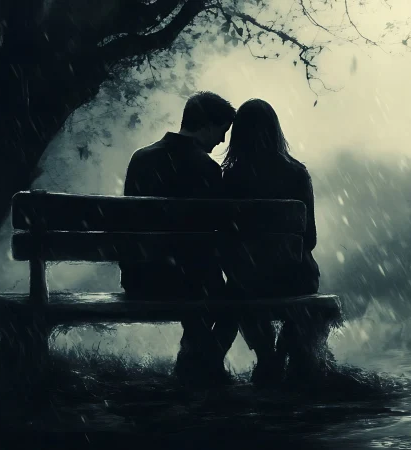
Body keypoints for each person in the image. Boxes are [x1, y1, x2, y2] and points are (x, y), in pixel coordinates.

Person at [118, 91, 238, 386]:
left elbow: (127, 225)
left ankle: (194, 363)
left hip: (140, 279)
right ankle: (201, 365)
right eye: (221, 131)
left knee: (197, 282)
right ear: (207, 125)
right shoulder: (207, 169)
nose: (222, 141)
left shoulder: (141, 158)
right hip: (192, 284)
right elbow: (216, 234)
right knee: (234, 305)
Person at [219, 98, 321, 385]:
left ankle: (266, 355)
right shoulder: (297, 172)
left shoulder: (230, 177)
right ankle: (284, 353)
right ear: (275, 130)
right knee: (301, 293)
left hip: (249, 281)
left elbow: (225, 238)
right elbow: (309, 239)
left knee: (241, 289)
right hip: (295, 277)